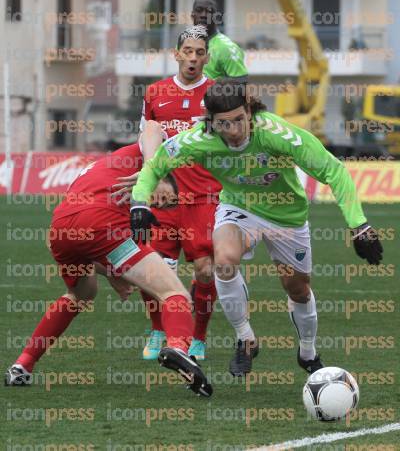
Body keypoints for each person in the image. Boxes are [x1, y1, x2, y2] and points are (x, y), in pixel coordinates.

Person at [129, 79, 383, 377]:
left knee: (298, 289)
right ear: (210, 123)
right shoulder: (197, 138)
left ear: (249, 111)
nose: (234, 130)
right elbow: (155, 166)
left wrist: (359, 225)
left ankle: (308, 352)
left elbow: (333, 170)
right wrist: (139, 202)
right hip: (239, 208)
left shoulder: (277, 134)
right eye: (224, 124)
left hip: (287, 216)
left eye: (239, 120)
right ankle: (246, 339)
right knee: (222, 261)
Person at [4, 126, 212, 397]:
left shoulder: (103, 169)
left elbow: (90, 236)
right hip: (99, 224)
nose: (160, 202)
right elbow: (152, 127)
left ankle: (23, 364)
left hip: (62, 228)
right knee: (174, 293)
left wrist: (113, 272)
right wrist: (152, 171)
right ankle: (178, 348)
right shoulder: (149, 159)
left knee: (81, 294)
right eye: (167, 198)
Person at [112, 26, 221, 361]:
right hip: (162, 196)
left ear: (206, 57)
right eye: (187, 51)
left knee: (205, 269)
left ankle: (198, 336)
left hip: (203, 195)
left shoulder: (217, 93)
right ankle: (159, 329)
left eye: (199, 52)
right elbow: (148, 135)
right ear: (176, 54)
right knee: (154, 268)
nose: (193, 57)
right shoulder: (155, 92)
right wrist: (150, 174)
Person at [191, 0, 248, 80]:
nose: (203, 15)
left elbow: (241, 84)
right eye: (199, 10)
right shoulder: (184, 44)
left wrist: (209, 89)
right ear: (192, 16)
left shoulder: (227, 48)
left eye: (209, 11)